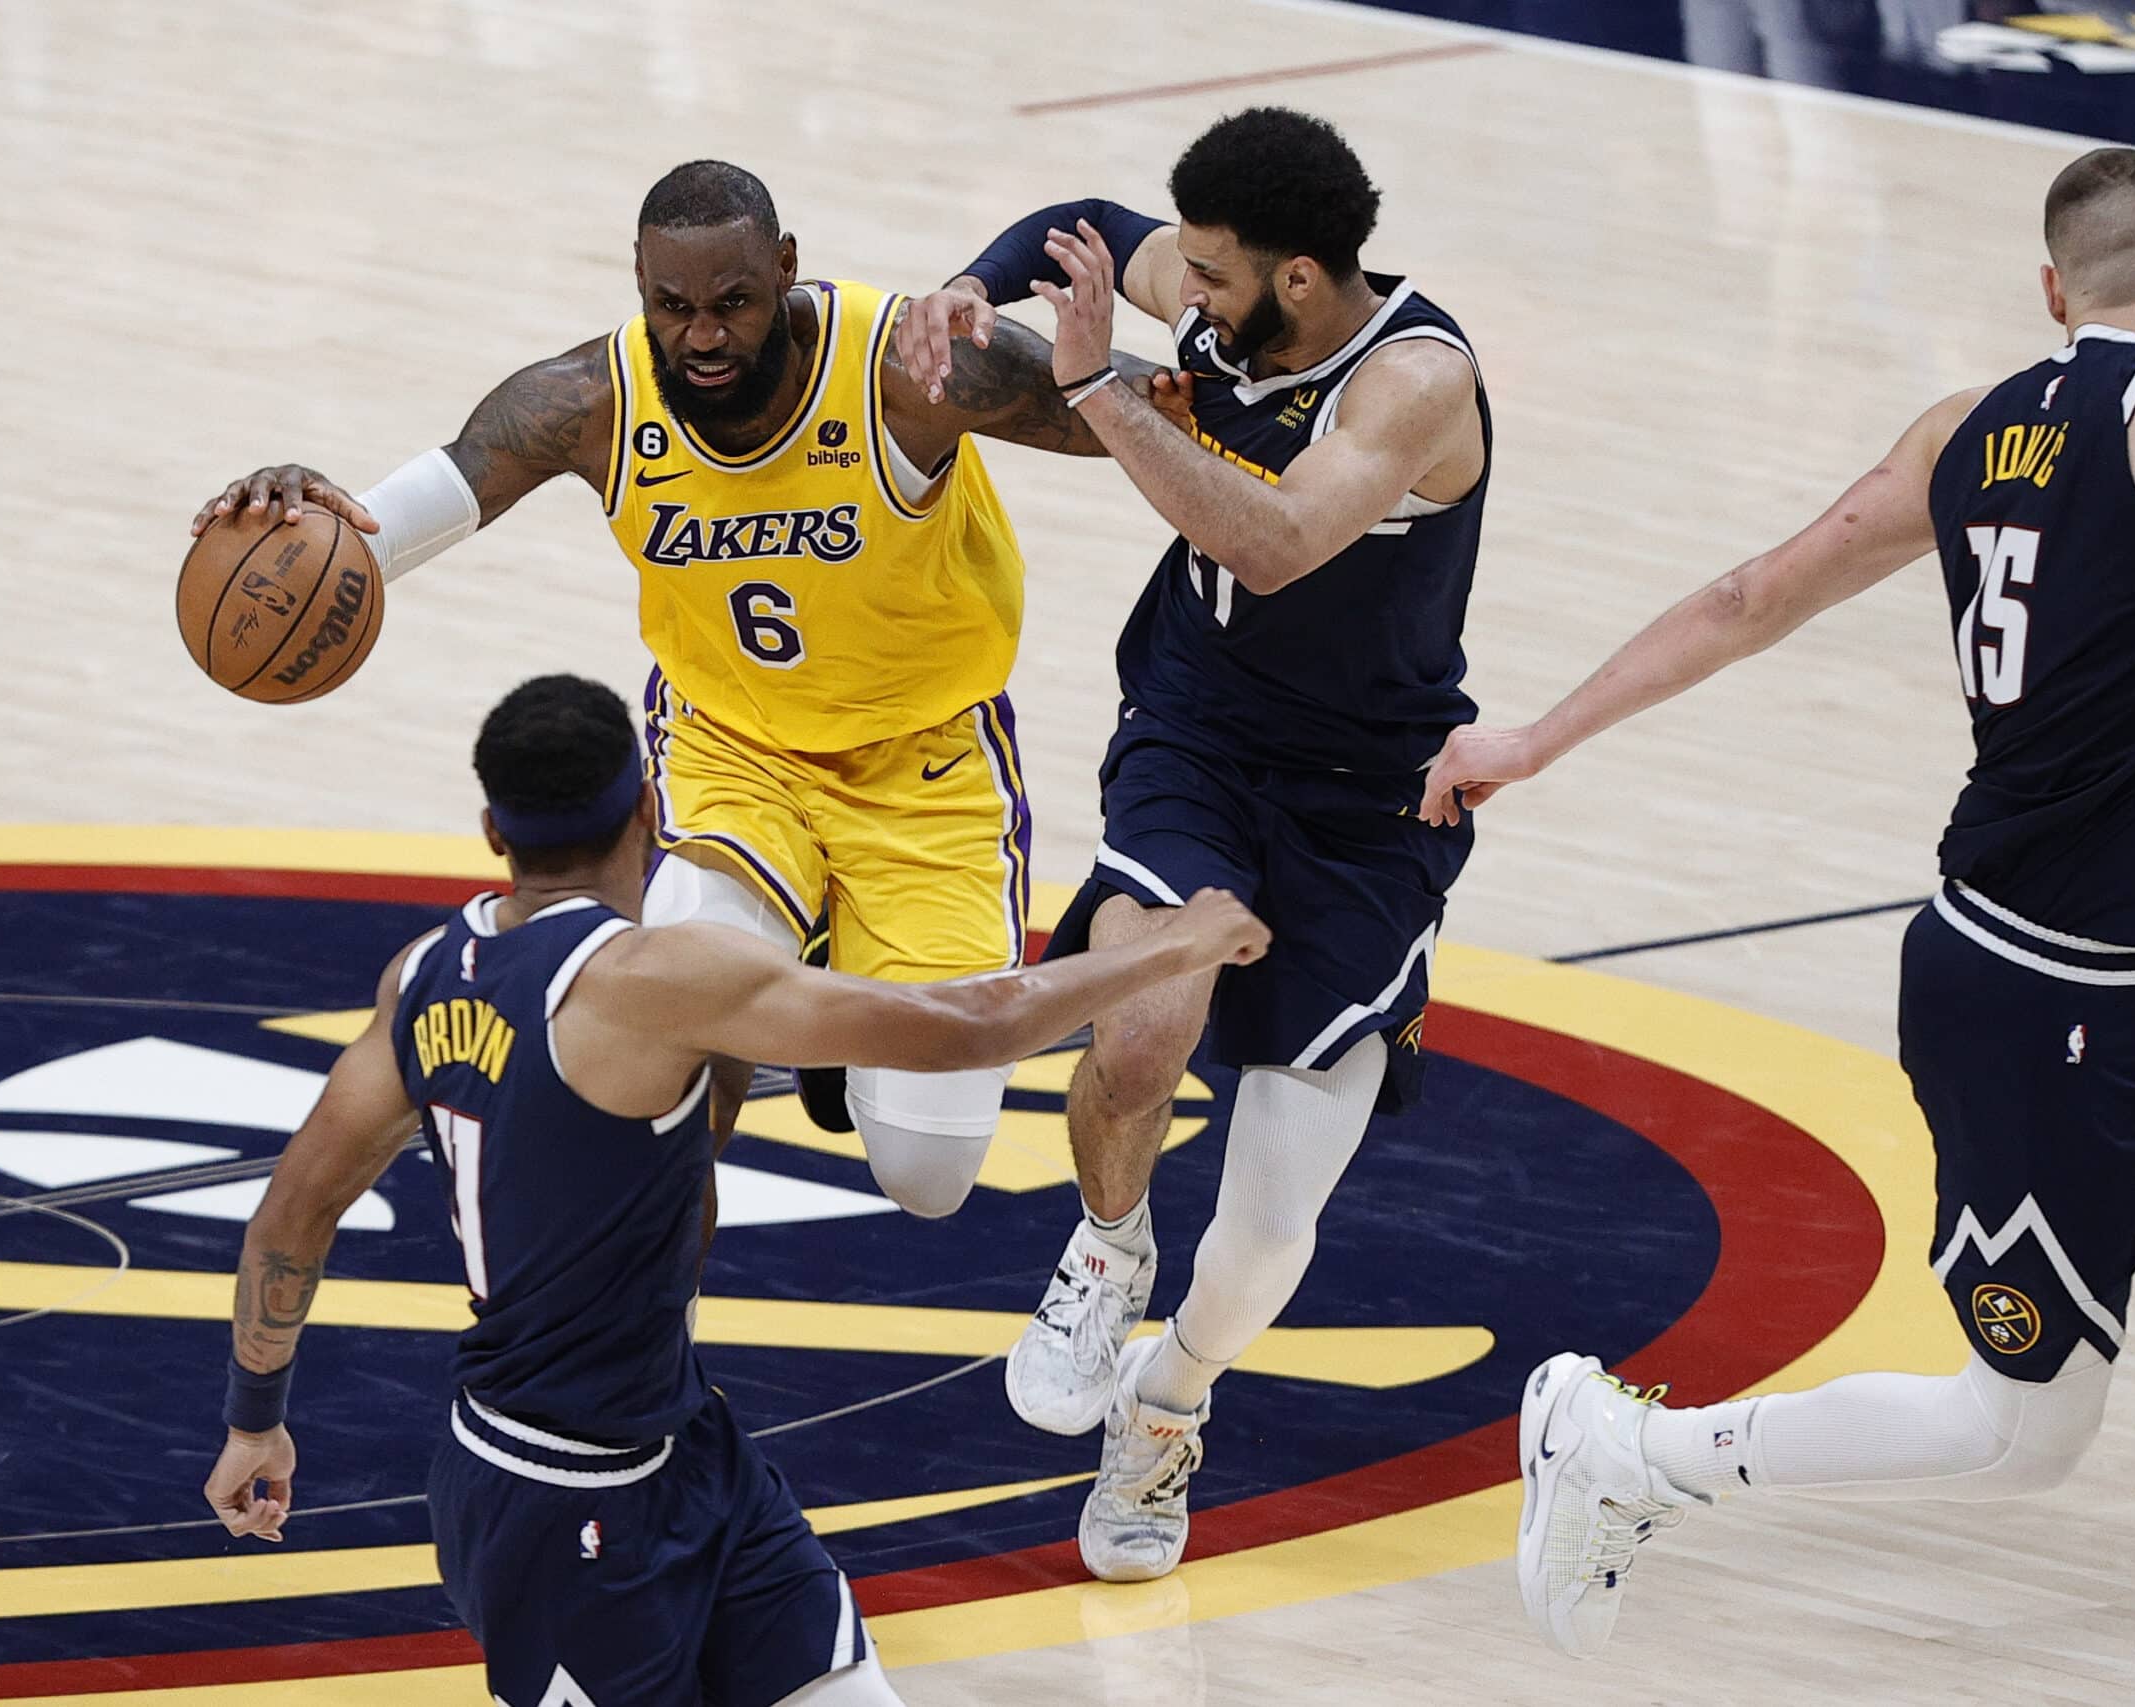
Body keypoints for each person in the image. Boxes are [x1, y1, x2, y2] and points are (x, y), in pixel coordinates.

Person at [1418, 146, 2135, 1660]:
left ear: (2053, 292)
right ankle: (1625, 1449)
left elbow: (1749, 597)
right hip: (2046, 990)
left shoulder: (1967, 429)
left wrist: (1534, 737)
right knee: (2025, 1431)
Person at [199, 673, 1269, 1706]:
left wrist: (255, 1423)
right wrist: (1172, 948)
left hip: (686, 1453)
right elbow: (974, 1023)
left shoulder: (423, 976)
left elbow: (292, 1220)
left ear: (493, 831)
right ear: (648, 809)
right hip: (556, 1502)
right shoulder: (662, 980)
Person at [190, 159, 1163, 1226]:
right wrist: (308, 514)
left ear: (785, 269)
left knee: (927, 1179)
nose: (702, 336)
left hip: (921, 761)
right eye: (673, 306)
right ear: (640, 285)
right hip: (732, 750)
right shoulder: (590, 401)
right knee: (673, 1037)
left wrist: (1261, 391)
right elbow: (404, 517)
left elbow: (1147, 413)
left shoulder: (903, 364)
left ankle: (823, 972)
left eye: (732, 303)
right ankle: (655, 1284)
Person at [897, 107, 1494, 1581]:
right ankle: (1109, 1245)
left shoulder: (1415, 382)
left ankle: (1167, 1400)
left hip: (1368, 801)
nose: (1191, 294)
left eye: (1215, 278)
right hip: (1199, 735)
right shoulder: (1228, 289)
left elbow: (1275, 543)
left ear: (1298, 277)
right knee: (1143, 1013)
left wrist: (1098, 388)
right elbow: (1090, 229)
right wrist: (973, 283)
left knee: (1271, 1228)